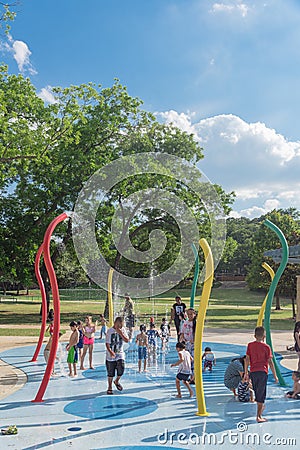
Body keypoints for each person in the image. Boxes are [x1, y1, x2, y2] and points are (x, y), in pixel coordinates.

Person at [245, 326, 278, 423]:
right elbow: (270, 362)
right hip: (262, 372)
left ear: (254, 336)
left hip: (253, 371)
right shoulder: (267, 347)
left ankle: (260, 406)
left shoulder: (250, 345)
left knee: (257, 391)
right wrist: (275, 376)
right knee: (261, 394)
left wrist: (246, 372)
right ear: (264, 336)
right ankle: (259, 416)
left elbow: (247, 359)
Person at [105, 316, 129, 394]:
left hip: (120, 353)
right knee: (110, 372)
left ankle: (117, 381)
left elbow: (127, 340)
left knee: (121, 368)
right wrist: (110, 351)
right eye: (119, 325)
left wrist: (121, 333)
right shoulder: (110, 331)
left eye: (121, 326)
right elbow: (107, 344)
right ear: (115, 323)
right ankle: (109, 386)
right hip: (110, 355)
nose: (120, 327)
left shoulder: (122, 330)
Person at [180, 308, 196, 382]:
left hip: (193, 344)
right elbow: (182, 332)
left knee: (193, 360)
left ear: (194, 314)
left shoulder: (195, 323)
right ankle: (189, 376)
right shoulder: (185, 323)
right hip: (187, 343)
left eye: (191, 314)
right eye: (188, 314)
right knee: (187, 360)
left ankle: (194, 377)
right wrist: (182, 338)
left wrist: (194, 340)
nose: (189, 315)